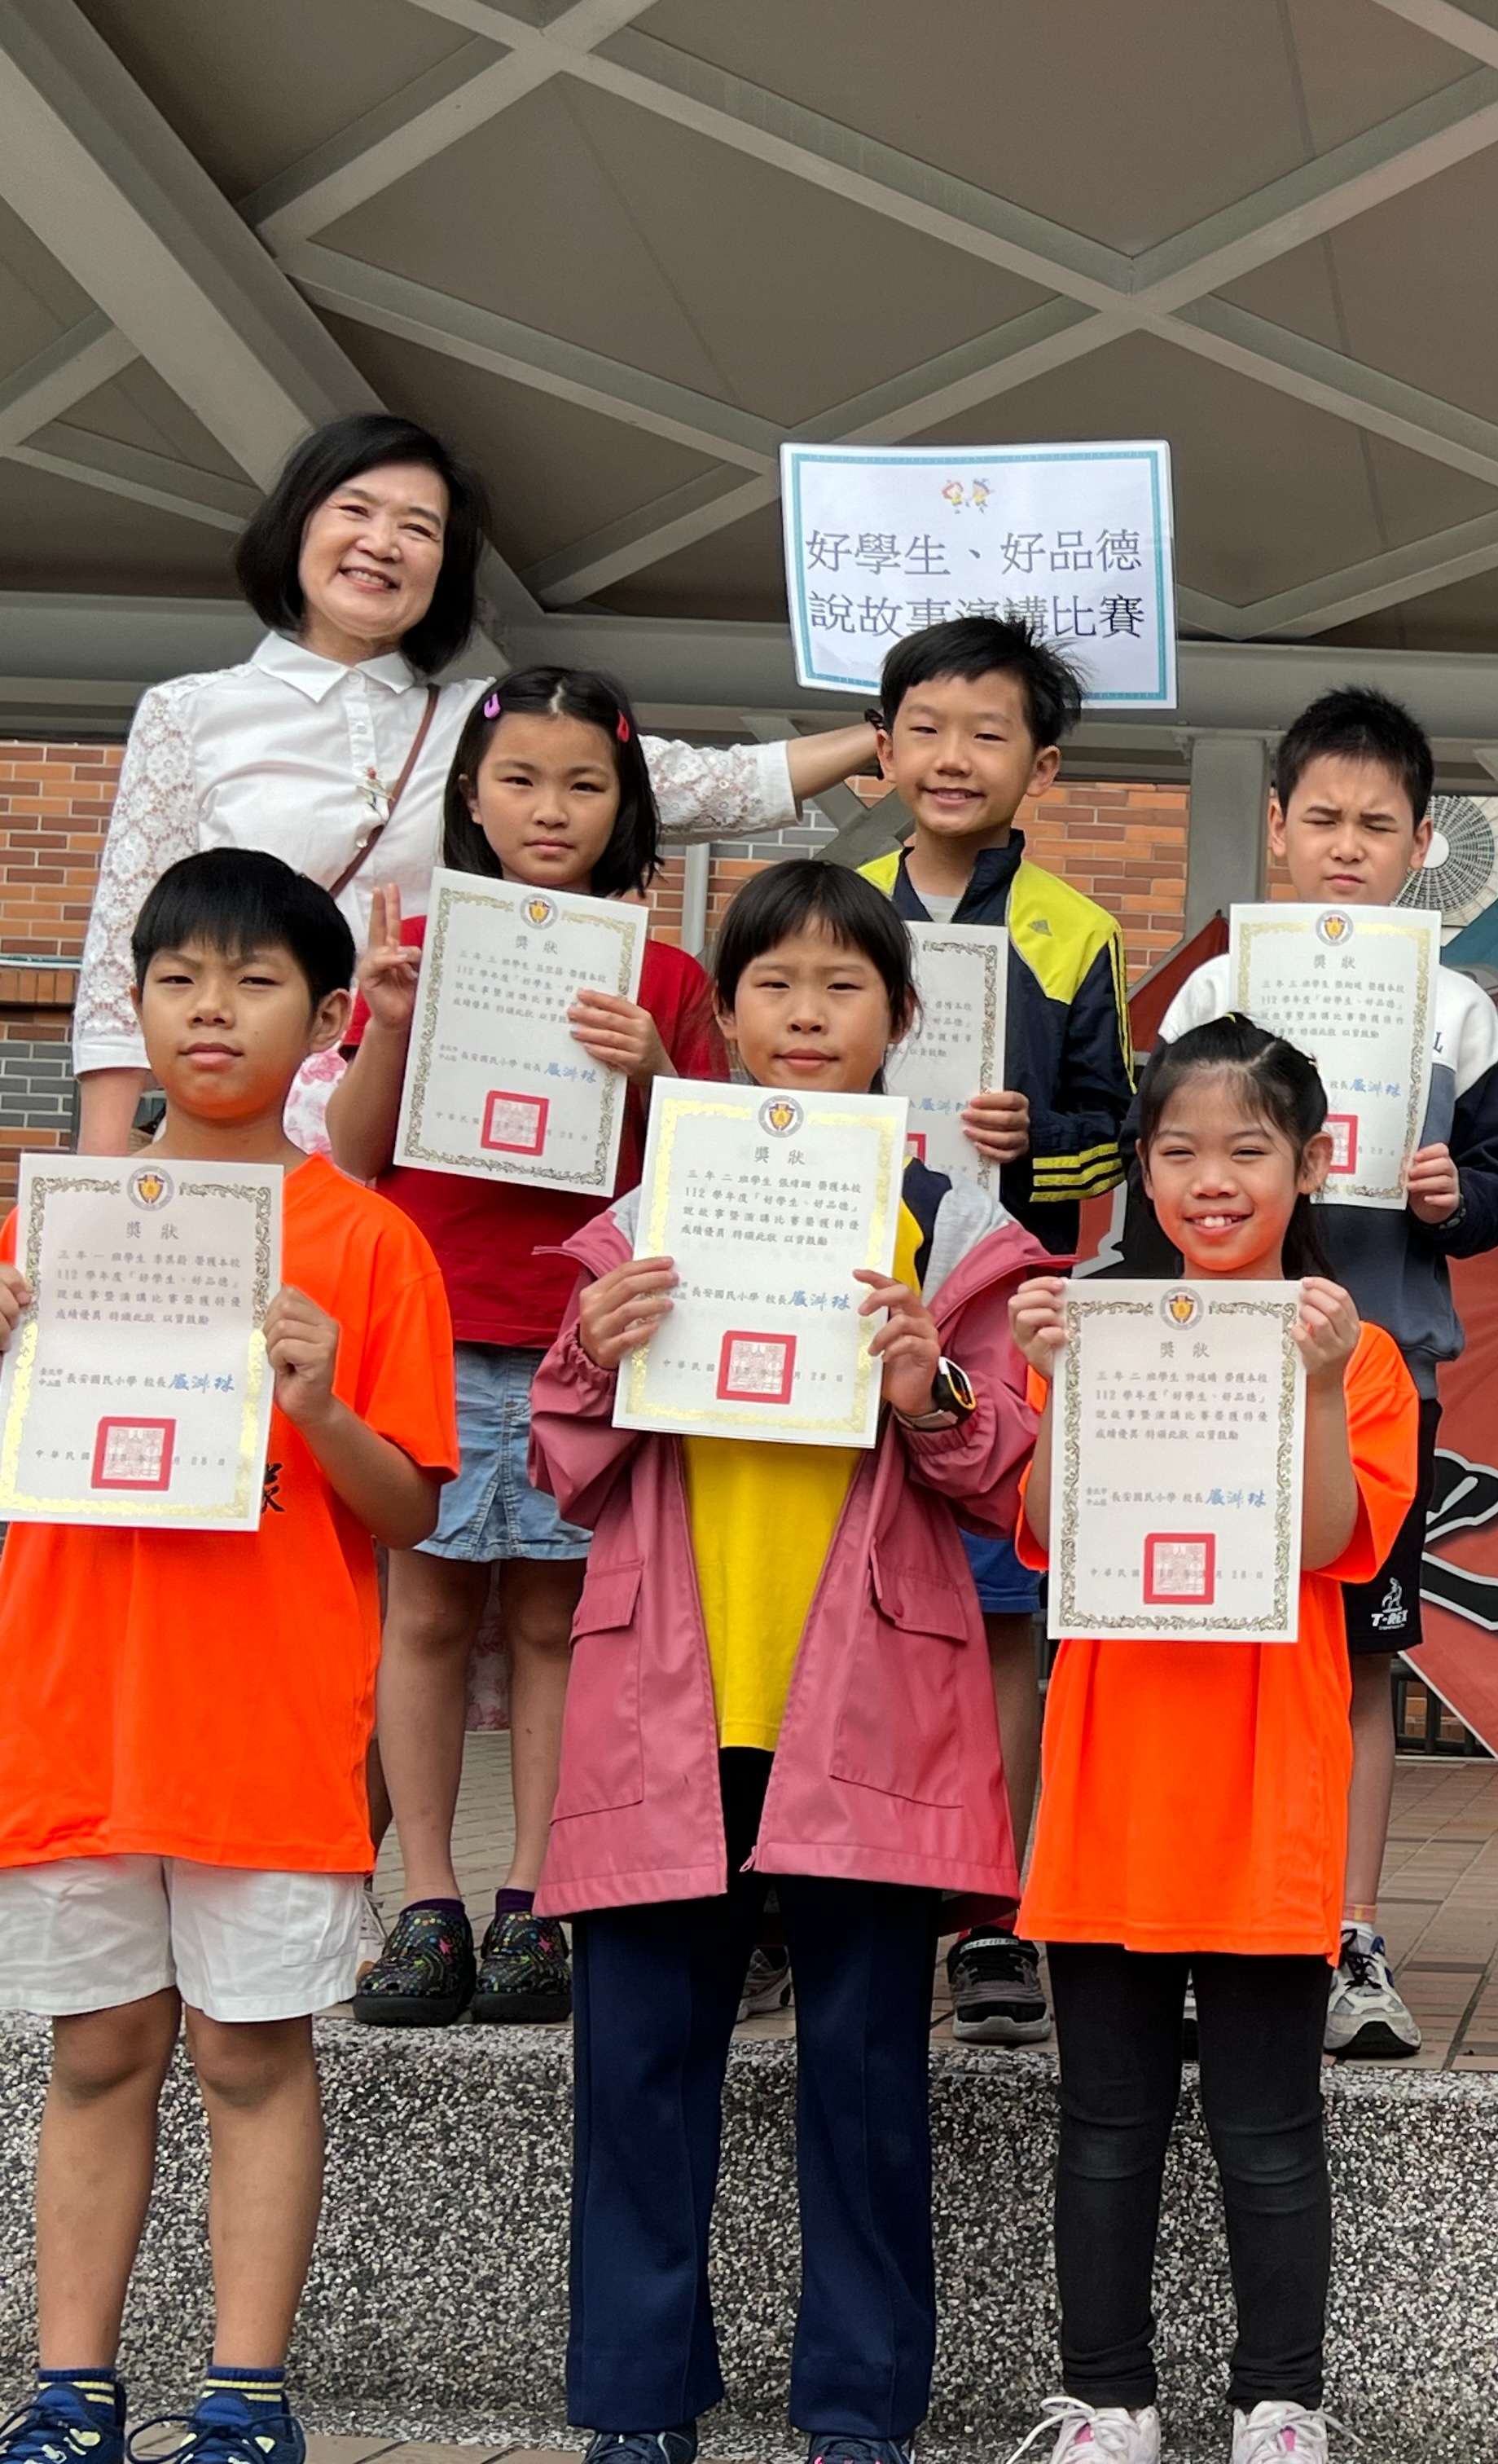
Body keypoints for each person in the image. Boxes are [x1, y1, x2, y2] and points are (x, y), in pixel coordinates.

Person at [529, 861, 1047, 2464]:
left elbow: (1010, 1471)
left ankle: (859, 2411)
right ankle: (637, 2409)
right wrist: (595, 1357)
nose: (806, 1013)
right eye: (773, 982)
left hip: (864, 1701)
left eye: (843, 985)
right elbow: (562, 1462)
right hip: (666, 1697)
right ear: (725, 1010)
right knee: (638, 2068)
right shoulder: (649, 1208)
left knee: (868, 2074)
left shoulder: (952, 1223)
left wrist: (931, 1392)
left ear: (902, 1015)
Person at [0, 851, 455, 2464]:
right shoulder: (46, 1231)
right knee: (97, 2050)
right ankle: (70, 2388)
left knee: (252, 2055)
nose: (213, 1008)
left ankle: (246, 2396)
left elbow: (410, 1505)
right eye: (180, 978)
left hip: (265, 1714)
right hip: (74, 1707)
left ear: (327, 1020)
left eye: (256, 980)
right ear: (134, 1004)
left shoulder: (368, 1243)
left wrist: (317, 1403)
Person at [1006, 1016, 1423, 2464]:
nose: (1212, 1179)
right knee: (1103, 2121)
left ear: (1313, 1162)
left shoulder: (1363, 1358)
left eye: (1248, 1148)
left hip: (1266, 1787)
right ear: (1140, 1170)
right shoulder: (1096, 1330)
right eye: (1177, 1150)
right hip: (1113, 1781)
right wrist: (1053, 1383)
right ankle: (1107, 2397)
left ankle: (1278, 2402)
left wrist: (1317, 1383)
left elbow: (1324, 1545)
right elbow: (1053, 1538)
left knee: (1269, 2124)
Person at [72, 413, 872, 1158]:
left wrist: (889, 739)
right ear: (298, 526)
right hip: (238, 1114)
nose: (382, 543)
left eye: (418, 528)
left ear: (445, 567)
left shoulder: (481, 721)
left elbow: (705, 783)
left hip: (424, 1123)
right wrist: (103, 1162)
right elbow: (125, 944)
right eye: (355, 510)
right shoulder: (190, 713)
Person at [328, 667, 723, 2030]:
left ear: (626, 806)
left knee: (558, 1619)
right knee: (426, 1611)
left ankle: (536, 1900)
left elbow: (714, 1168)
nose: (551, 809)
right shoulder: (418, 948)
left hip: (585, 1337)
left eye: (583, 784)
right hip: (431, 1321)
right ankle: (426, 1897)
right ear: (472, 797)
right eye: (520, 780)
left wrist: (654, 1066)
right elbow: (355, 1150)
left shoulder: (665, 977)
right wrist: (387, 1022)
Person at [1142, 686, 1498, 2061]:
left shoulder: (1458, 1008)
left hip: (1376, 1375)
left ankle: (1347, 1930)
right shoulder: (1216, 991)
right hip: (1212, 1372)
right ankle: (1210, 1918)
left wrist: (1453, 1198)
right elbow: (1154, 1168)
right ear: (1277, 824)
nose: (1347, 846)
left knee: (1361, 1656)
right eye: (1323, 819)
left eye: (1377, 824)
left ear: (1424, 843)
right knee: (1212, 1649)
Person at [850, 615, 1135, 2050]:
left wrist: (1040, 1144)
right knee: (846, 1596)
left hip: (1002, 1304)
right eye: (927, 727)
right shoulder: (832, 903)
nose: (954, 756)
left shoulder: (1076, 931)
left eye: (989, 732)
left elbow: (1113, 1134)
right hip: (844, 1293)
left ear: (1043, 764)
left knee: (1002, 1616)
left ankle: (997, 1912)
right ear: (882, 744)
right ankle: (829, 1888)